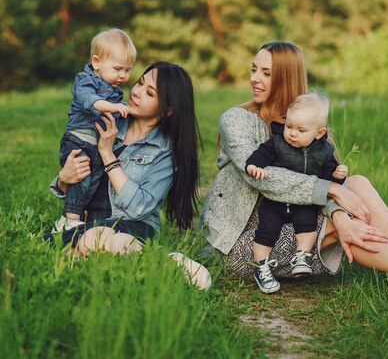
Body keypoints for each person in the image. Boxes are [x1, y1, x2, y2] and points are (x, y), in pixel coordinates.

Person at [200, 41, 388, 288]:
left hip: (291, 219)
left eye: (266, 73)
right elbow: (263, 177)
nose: (255, 78)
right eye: (254, 69)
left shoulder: (306, 125)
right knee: (345, 221)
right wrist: (335, 201)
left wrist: (337, 210)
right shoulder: (236, 120)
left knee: (357, 184)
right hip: (244, 243)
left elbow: (326, 177)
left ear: (286, 79)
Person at [48, 61, 212, 290]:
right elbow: (77, 180)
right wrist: (63, 179)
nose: (136, 92)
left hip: (133, 225)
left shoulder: (166, 150)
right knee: (81, 245)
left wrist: (107, 153)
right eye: (140, 83)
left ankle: (159, 263)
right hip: (89, 220)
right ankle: (155, 265)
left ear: (167, 110)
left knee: (91, 241)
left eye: (149, 92)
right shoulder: (109, 116)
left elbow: (139, 209)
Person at [244, 93, 348, 293]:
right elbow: (259, 155)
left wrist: (337, 175)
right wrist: (254, 166)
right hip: (275, 201)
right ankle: (261, 266)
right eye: (289, 126)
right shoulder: (277, 143)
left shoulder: (325, 151)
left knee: (307, 225)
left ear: (319, 133)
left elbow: (327, 182)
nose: (292, 133)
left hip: (304, 203)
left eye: (301, 130)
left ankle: (302, 255)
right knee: (267, 230)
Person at [53, 28, 136, 233]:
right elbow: (90, 101)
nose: (123, 75)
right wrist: (114, 107)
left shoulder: (114, 88)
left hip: (96, 145)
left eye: (127, 70)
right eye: (118, 69)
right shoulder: (85, 80)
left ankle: (66, 220)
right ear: (97, 62)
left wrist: (128, 108)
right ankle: (72, 220)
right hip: (78, 140)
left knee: (93, 181)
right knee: (81, 178)